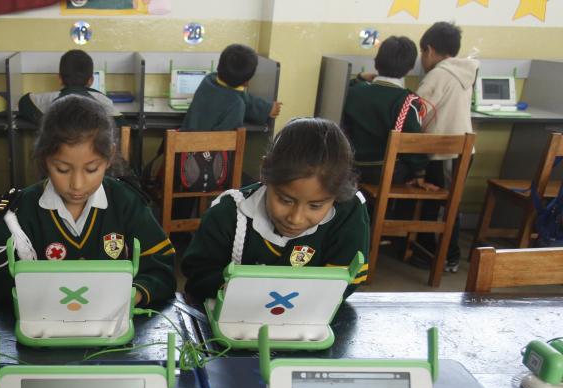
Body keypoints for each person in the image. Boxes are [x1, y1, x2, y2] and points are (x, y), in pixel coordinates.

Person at [0, 94, 175, 307]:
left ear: (109, 157)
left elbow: (162, 268)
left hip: (109, 321)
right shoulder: (22, 209)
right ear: (44, 158)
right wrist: (32, 294)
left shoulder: (126, 202)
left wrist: (135, 294)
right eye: (63, 169)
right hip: (44, 323)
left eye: (91, 169)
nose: (77, 184)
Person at [181, 117, 369, 302]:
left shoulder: (348, 212)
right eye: (285, 200)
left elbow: (344, 281)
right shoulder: (228, 213)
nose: (296, 218)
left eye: (315, 206)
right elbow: (198, 276)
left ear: (336, 196)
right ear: (265, 172)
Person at [414, 21, 479, 273]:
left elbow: (417, 112)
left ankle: (446, 256)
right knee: (445, 203)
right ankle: (431, 251)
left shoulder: (439, 74)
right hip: (459, 151)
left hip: (446, 152)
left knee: (444, 206)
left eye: (422, 53)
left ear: (429, 50)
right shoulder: (463, 71)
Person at [344, 36, 433, 188]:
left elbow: (343, 88)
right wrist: (420, 173)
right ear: (409, 69)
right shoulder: (407, 100)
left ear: (376, 62)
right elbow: (412, 142)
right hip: (385, 171)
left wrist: (359, 78)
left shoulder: (354, 92)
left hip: (350, 168)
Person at [181, 44, 282, 132]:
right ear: (247, 82)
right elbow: (225, 144)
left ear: (219, 66)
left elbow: (239, 96)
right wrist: (267, 109)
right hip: (208, 153)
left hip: (183, 150)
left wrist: (266, 108)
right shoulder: (237, 105)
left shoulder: (209, 80)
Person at [18, 49, 128, 127]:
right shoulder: (103, 101)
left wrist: (45, 120)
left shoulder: (50, 99)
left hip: (59, 157)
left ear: (60, 79)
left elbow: (24, 102)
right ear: (91, 81)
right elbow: (122, 125)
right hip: (92, 157)